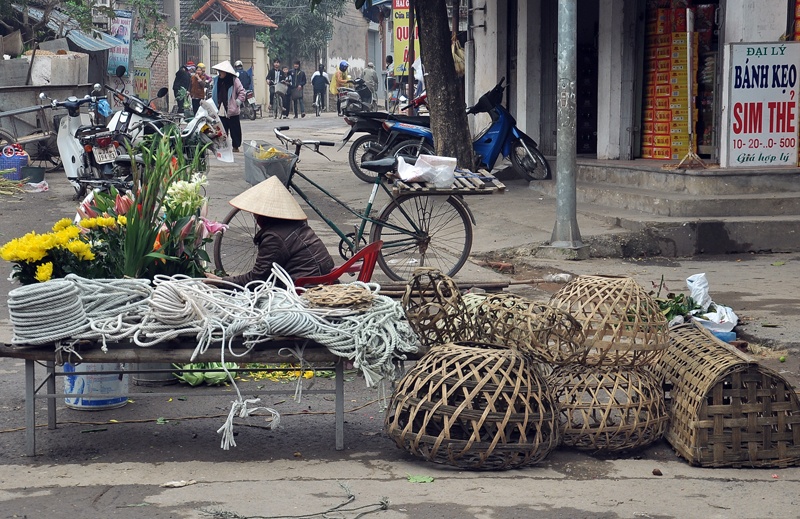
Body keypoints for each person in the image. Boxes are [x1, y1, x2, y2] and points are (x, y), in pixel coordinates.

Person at [206, 176, 334, 287]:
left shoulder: (274, 237)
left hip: (306, 286)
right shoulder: (296, 225)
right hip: (323, 277)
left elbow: (256, 280)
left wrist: (221, 281)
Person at [211, 60, 246, 152]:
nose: (220, 73)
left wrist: (237, 102)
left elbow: (242, 92)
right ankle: (223, 146)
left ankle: (236, 146)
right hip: (220, 108)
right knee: (222, 129)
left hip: (231, 109)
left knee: (235, 129)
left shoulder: (234, 80)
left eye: (221, 71)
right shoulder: (216, 80)